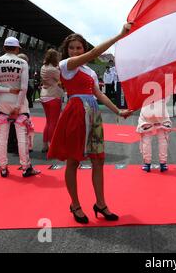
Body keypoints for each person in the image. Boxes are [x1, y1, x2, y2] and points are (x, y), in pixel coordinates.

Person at [47, 25, 132, 224]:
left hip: (92, 113)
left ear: (83, 49)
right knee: (73, 161)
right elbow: (95, 52)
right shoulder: (67, 65)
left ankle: (100, 204)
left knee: (98, 160)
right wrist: (120, 35)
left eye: (79, 48)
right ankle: (75, 204)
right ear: (66, 51)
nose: (75, 51)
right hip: (76, 113)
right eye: (72, 48)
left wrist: (118, 110)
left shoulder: (89, 71)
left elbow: (99, 94)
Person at [0, 37, 40, 178]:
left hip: (3, 102)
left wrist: (7, 90)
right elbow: (23, 87)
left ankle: (3, 167)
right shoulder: (22, 62)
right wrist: (17, 106)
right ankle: (26, 167)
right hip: (20, 103)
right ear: (17, 49)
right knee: (22, 135)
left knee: (2, 136)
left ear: (4, 47)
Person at [137, 98, 172, 173]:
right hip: (161, 110)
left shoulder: (140, 86)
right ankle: (163, 164)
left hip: (146, 110)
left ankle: (147, 164)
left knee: (146, 140)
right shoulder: (165, 86)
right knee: (163, 139)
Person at [40, 49, 63, 153]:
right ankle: (52, 146)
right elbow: (61, 80)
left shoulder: (43, 67)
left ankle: (45, 145)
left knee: (48, 122)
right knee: (53, 123)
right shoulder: (53, 70)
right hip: (53, 96)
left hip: (44, 95)